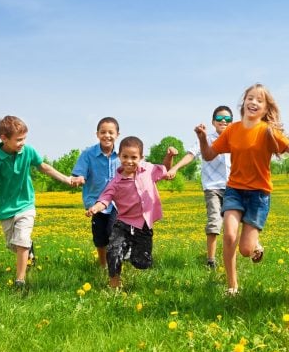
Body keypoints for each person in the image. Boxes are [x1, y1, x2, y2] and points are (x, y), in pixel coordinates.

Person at [195, 83, 289, 295]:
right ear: (244, 102)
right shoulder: (232, 130)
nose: (253, 102)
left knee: (245, 250)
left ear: (267, 108)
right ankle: (232, 286)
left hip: (259, 195)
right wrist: (203, 138)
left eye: (259, 100)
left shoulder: (268, 132)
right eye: (250, 98)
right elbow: (208, 155)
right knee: (230, 235)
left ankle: (255, 245)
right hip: (234, 190)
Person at [0, 115, 84, 290]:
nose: (23, 142)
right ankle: (29, 250)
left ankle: (20, 281)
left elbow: (44, 167)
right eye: (18, 139)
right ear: (3, 138)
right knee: (13, 244)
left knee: (21, 240)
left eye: (24, 138)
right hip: (6, 208)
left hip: (26, 204)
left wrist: (66, 180)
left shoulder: (28, 151)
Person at [85, 136, 176, 289]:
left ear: (141, 158)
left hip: (144, 224)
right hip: (123, 223)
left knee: (142, 263)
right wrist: (96, 208)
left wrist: (169, 156)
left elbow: (165, 170)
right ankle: (114, 284)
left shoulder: (148, 169)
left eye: (134, 157)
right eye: (125, 156)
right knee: (113, 250)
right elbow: (105, 199)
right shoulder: (115, 182)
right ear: (119, 156)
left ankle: (130, 253)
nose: (129, 161)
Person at [167, 105, 233, 269]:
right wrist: (175, 168)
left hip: (234, 187)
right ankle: (211, 261)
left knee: (234, 223)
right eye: (219, 119)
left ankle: (231, 259)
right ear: (213, 122)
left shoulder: (236, 138)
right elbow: (191, 154)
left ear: (232, 122)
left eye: (227, 119)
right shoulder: (206, 139)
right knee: (214, 221)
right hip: (212, 188)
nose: (223, 121)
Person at [72, 117, 120, 270]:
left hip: (117, 203)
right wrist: (79, 178)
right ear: (97, 134)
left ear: (117, 135)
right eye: (103, 132)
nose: (107, 135)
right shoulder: (88, 154)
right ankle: (102, 264)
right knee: (100, 236)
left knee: (112, 232)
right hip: (95, 203)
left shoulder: (121, 155)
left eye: (111, 132)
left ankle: (115, 263)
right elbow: (79, 173)